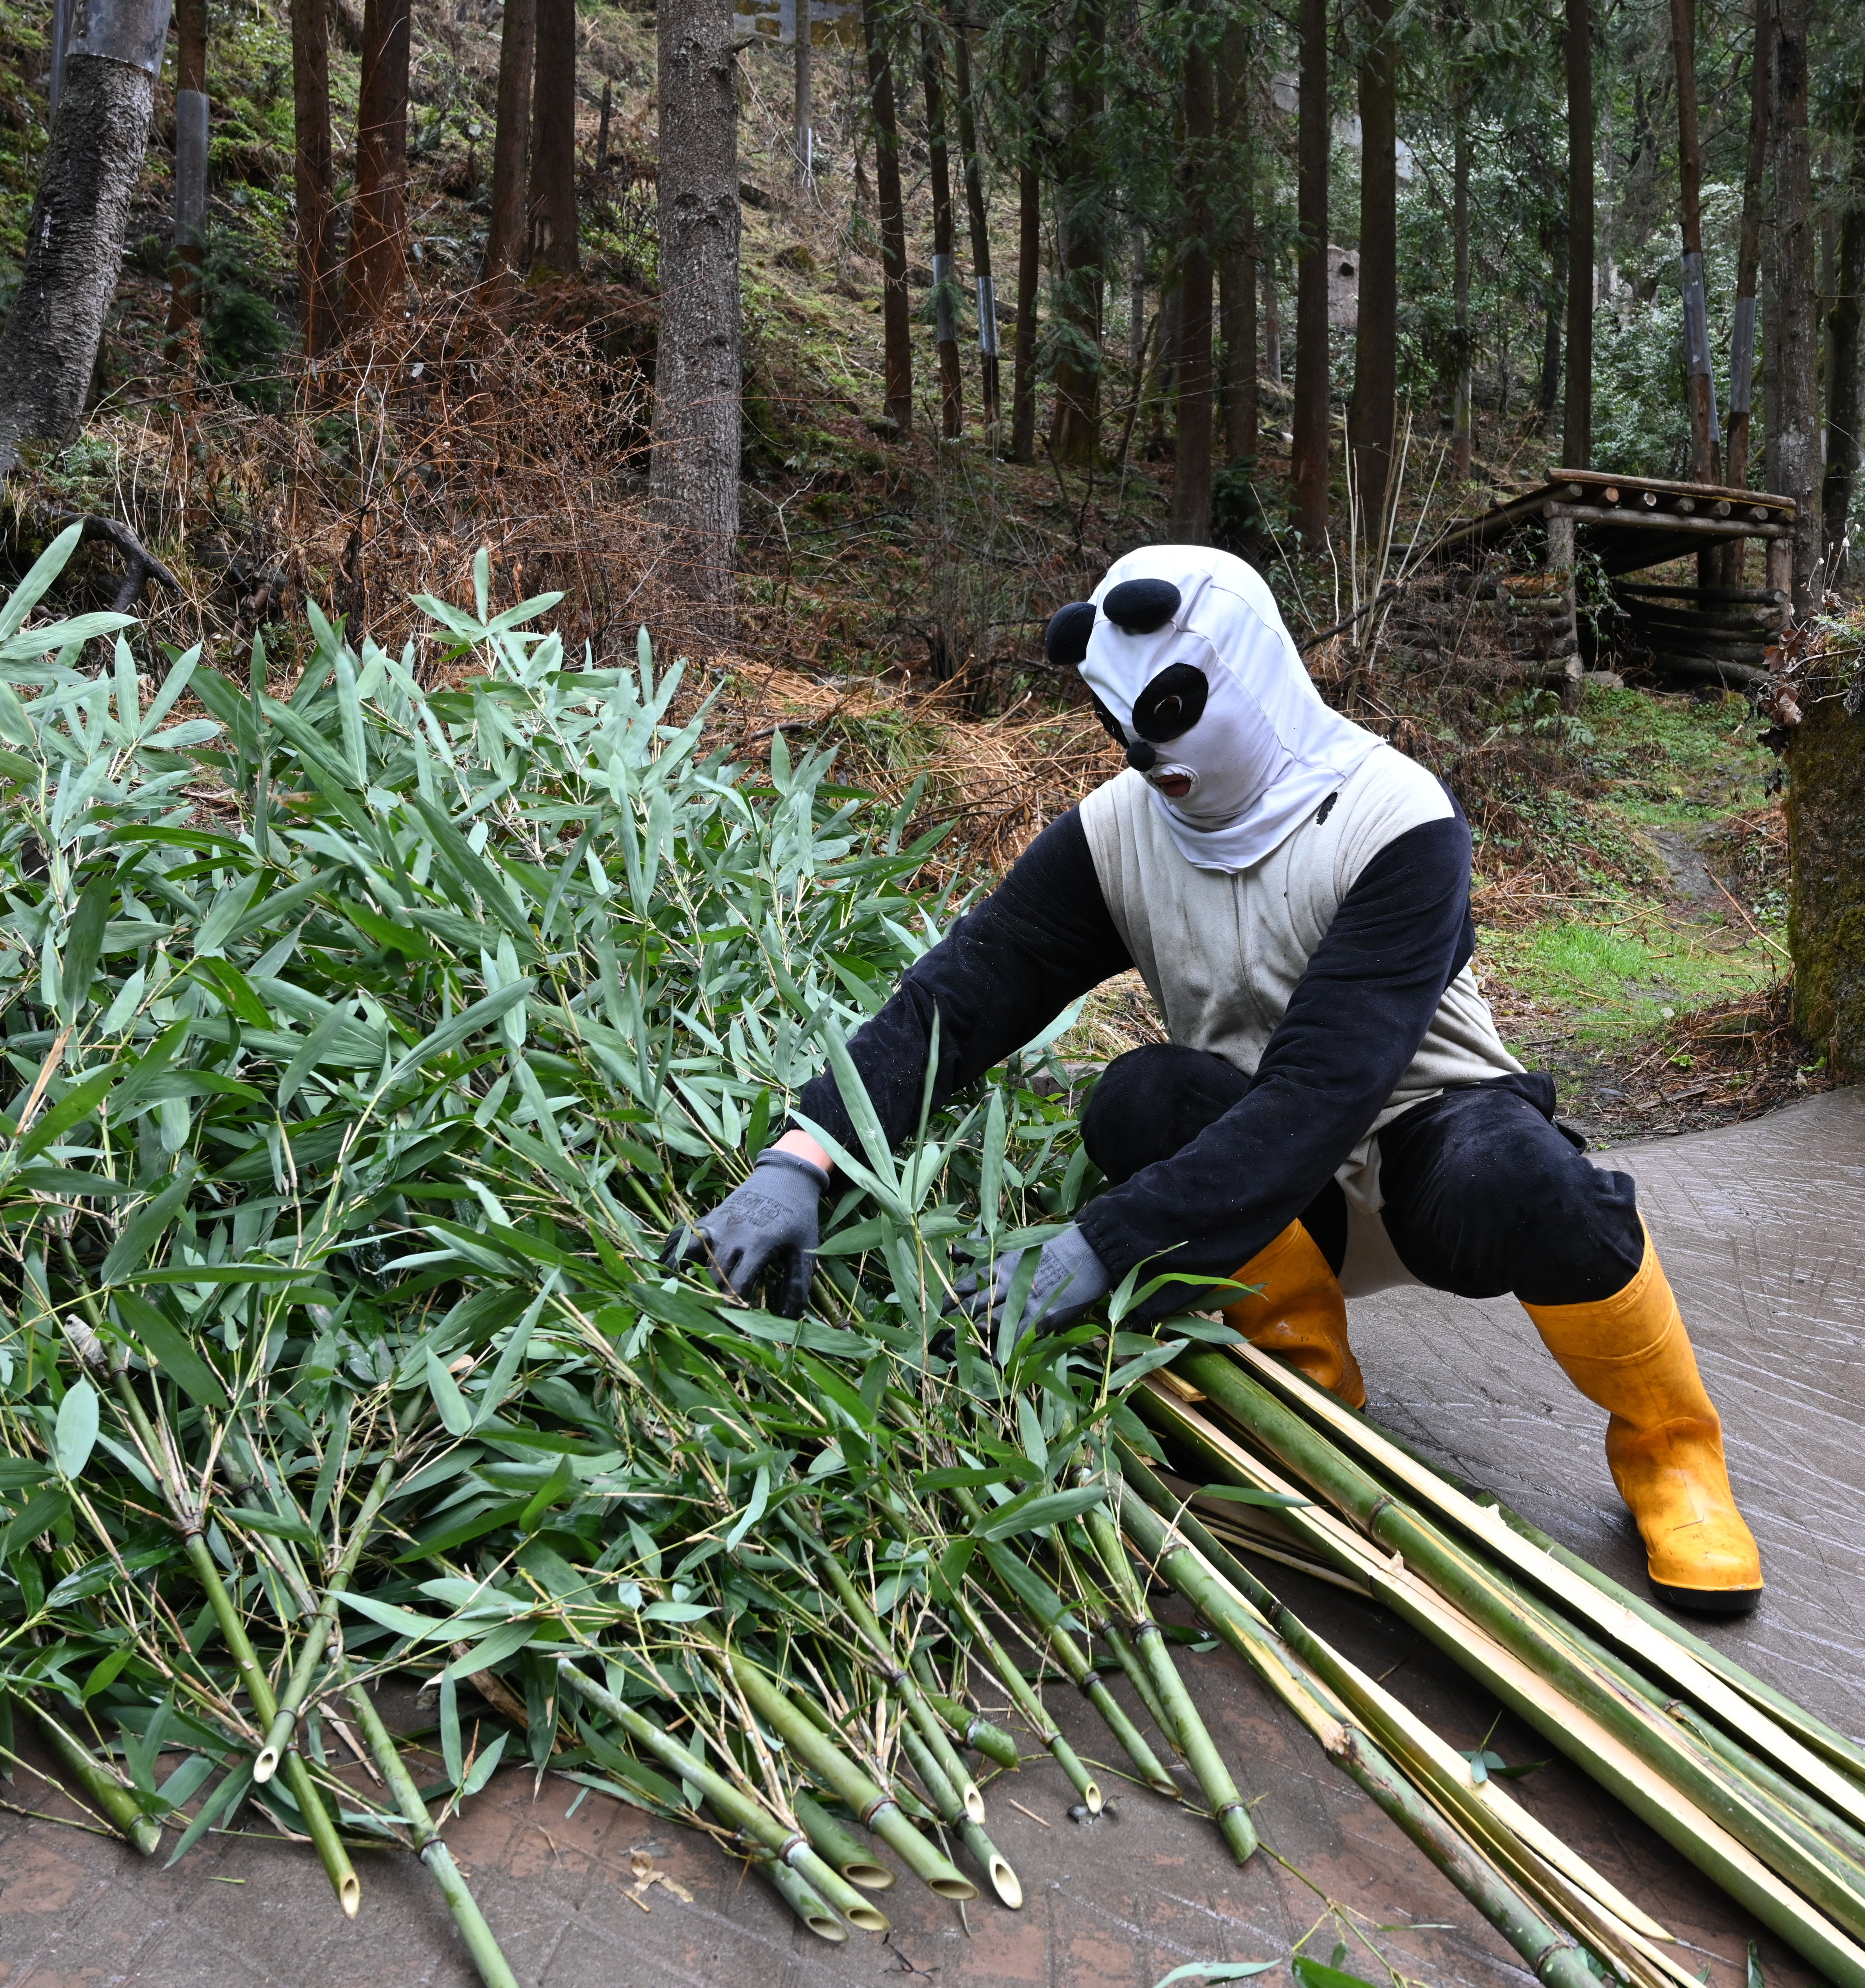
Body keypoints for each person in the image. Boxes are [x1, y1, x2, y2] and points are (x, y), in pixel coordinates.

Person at [668, 546, 1763, 1614]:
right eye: (1120, 722)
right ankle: (1308, 1383)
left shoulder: (1396, 820)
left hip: (1425, 1148)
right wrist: (801, 1156)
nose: (1144, 756)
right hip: (1267, 1202)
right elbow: (959, 997)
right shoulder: (1118, 834)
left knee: (1522, 1178)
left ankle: (1672, 1453)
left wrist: (1102, 1242)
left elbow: (1326, 1089)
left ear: (1248, 668)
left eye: (1168, 709)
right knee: (1138, 1098)